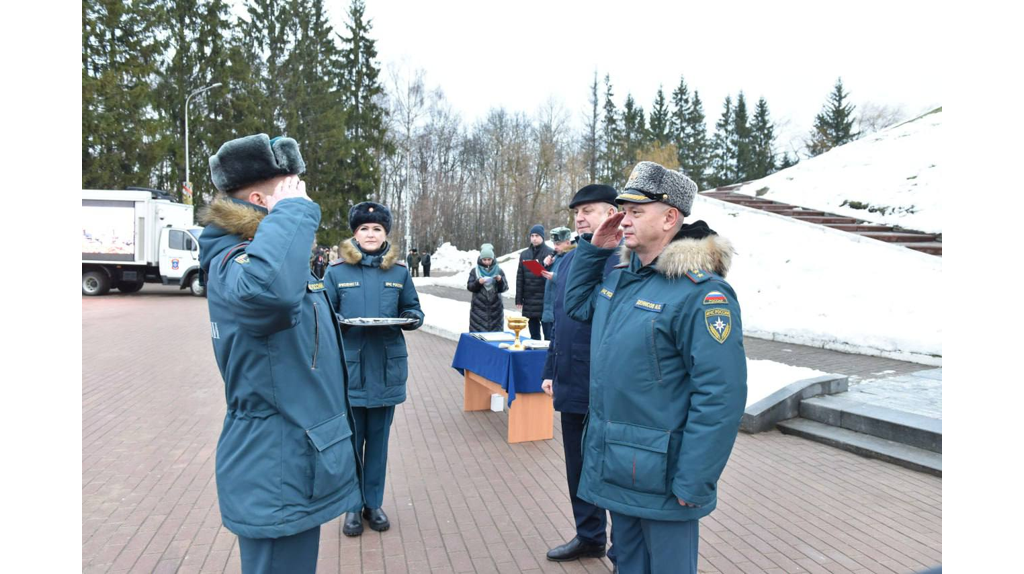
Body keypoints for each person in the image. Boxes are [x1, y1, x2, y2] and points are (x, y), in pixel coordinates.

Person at [563, 162, 748, 574]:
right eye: (622, 210)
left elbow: (720, 394)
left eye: (635, 212)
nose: (622, 219)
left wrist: (695, 479)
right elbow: (576, 307)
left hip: (665, 476)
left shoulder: (702, 293)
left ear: (669, 218)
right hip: (620, 466)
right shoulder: (622, 280)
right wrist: (595, 250)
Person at [197, 134, 362, 574]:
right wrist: (293, 212)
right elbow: (267, 295)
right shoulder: (237, 261)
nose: (303, 198)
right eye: (291, 189)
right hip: (276, 465)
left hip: (290, 458)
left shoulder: (264, 258)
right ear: (258, 199)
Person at [325, 202, 424, 538]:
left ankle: (373, 504)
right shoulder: (337, 273)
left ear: (385, 234)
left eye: (377, 229)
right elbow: (322, 317)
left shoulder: (398, 273)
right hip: (350, 372)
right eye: (364, 228)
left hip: (385, 370)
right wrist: (336, 322)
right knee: (351, 443)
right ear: (355, 233)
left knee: (378, 444)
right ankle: (352, 508)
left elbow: (413, 308)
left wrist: (412, 319)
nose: (370, 234)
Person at [539, 185, 621, 566]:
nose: (580, 218)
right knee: (578, 466)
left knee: (613, 467)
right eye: (577, 212)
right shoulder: (570, 261)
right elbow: (559, 322)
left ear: (613, 214)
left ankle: (624, 544)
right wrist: (550, 369)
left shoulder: (625, 260)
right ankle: (588, 535)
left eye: (589, 210)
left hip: (608, 385)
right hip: (572, 379)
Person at [515, 224, 554, 340]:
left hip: (544, 299)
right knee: (534, 335)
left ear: (542, 237)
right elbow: (520, 277)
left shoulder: (550, 253)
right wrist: (519, 298)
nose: (534, 238)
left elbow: (551, 277)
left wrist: (543, 265)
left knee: (548, 335)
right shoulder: (524, 254)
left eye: (537, 235)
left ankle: (547, 357)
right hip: (529, 299)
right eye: (532, 235)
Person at [467, 243, 508, 332]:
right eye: (484, 259)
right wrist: (478, 282)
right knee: (478, 339)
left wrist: (500, 280)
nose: (486, 262)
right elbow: (470, 287)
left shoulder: (499, 270)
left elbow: (504, 288)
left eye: (489, 259)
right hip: (478, 312)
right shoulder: (474, 271)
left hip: (496, 311)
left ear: (493, 259)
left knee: (494, 339)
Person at [540, 227, 573, 337]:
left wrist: (554, 277)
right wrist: (546, 265)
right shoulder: (556, 257)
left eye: (558, 244)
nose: (555, 247)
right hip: (548, 313)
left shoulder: (573, 257)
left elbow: (571, 280)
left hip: (561, 314)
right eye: (554, 244)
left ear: (567, 242)